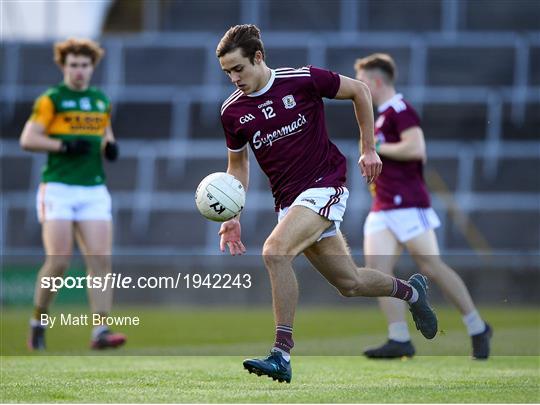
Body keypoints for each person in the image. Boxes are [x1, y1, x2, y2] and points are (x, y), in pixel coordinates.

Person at [215, 24, 438, 384]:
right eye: (227, 72)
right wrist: (233, 215)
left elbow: (360, 90)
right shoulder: (232, 112)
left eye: (238, 68)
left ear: (258, 57)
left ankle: (281, 353)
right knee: (348, 283)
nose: (233, 78)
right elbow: (237, 167)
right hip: (289, 202)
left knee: (274, 251)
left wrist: (369, 149)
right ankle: (411, 291)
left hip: (324, 184)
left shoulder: (302, 80)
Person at [354, 53, 492, 360]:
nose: (360, 88)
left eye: (363, 82)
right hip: (384, 204)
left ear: (376, 81)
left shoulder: (400, 109)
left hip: (407, 202)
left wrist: (377, 148)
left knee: (431, 265)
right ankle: (399, 338)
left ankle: (477, 326)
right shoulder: (382, 116)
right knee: (378, 271)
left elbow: (417, 148)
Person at [20, 38, 126, 351]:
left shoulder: (99, 100)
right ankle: (38, 321)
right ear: (64, 67)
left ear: (92, 67)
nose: (79, 71)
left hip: (93, 187)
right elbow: (28, 138)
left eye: (84, 65)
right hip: (59, 186)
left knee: (101, 261)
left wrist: (110, 146)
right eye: (73, 65)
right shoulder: (52, 99)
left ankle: (100, 331)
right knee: (59, 261)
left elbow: (106, 134)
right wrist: (63, 146)